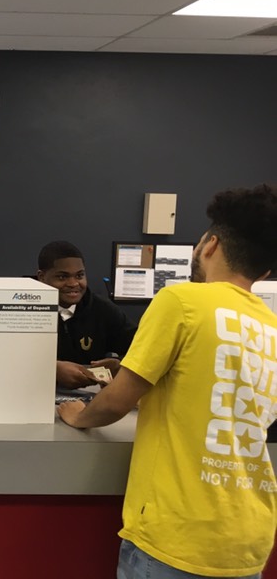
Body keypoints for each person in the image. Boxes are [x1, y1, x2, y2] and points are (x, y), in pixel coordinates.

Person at [58, 184, 277, 578]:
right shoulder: (271, 325)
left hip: (178, 532)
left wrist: (78, 416)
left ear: (209, 246)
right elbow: (215, 398)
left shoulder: (182, 301)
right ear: (263, 270)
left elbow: (114, 405)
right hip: (248, 538)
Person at [37, 240, 137, 389]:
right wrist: (53, 369)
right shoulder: (21, 309)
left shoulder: (103, 310)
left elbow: (142, 350)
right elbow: (6, 359)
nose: (73, 283)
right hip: (32, 393)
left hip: (89, 396)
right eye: (62, 277)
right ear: (42, 277)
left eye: (79, 276)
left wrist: (119, 365)